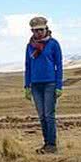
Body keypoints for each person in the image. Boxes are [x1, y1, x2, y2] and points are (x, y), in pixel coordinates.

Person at [24, 16, 63, 154]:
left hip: (50, 83)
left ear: (46, 29)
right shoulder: (30, 46)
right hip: (35, 85)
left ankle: (52, 145)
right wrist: (26, 86)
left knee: (49, 115)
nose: (38, 33)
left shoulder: (53, 44)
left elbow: (59, 65)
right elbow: (28, 66)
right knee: (41, 116)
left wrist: (59, 86)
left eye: (40, 30)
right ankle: (46, 144)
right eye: (34, 30)